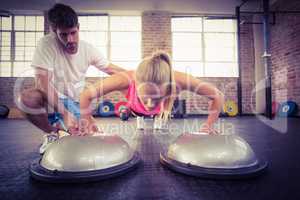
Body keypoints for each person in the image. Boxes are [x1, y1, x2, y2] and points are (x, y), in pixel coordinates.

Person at [18, 3, 125, 153]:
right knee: (26, 99)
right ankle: (52, 133)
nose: (70, 40)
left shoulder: (88, 49)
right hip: (51, 99)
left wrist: (139, 77)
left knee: (91, 136)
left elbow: (113, 70)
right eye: (63, 34)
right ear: (55, 32)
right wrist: (64, 112)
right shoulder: (46, 44)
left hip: (75, 102)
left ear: (78, 27)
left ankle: (67, 128)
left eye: (73, 32)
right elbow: (42, 84)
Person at [79, 51, 224, 135]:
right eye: (146, 98)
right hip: (135, 110)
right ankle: (137, 115)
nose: (149, 105)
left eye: (157, 98)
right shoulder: (126, 79)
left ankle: (156, 116)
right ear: (136, 82)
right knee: (137, 112)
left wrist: (208, 126)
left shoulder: (178, 80)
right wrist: (89, 122)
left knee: (155, 113)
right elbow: (85, 95)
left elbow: (217, 95)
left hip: (160, 112)